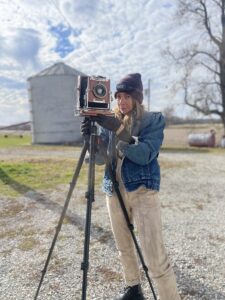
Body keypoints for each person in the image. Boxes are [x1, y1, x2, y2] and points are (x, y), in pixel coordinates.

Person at [81, 73, 181, 300]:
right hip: (113, 190)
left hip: (143, 191)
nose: (122, 101)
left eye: (127, 96)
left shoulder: (152, 120)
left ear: (137, 98)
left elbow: (146, 154)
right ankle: (133, 288)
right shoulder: (110, 120)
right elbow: (99, 160)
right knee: (123, 246)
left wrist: (118, 131)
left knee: (154, 255)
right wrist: (91, 141)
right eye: (118, 96)